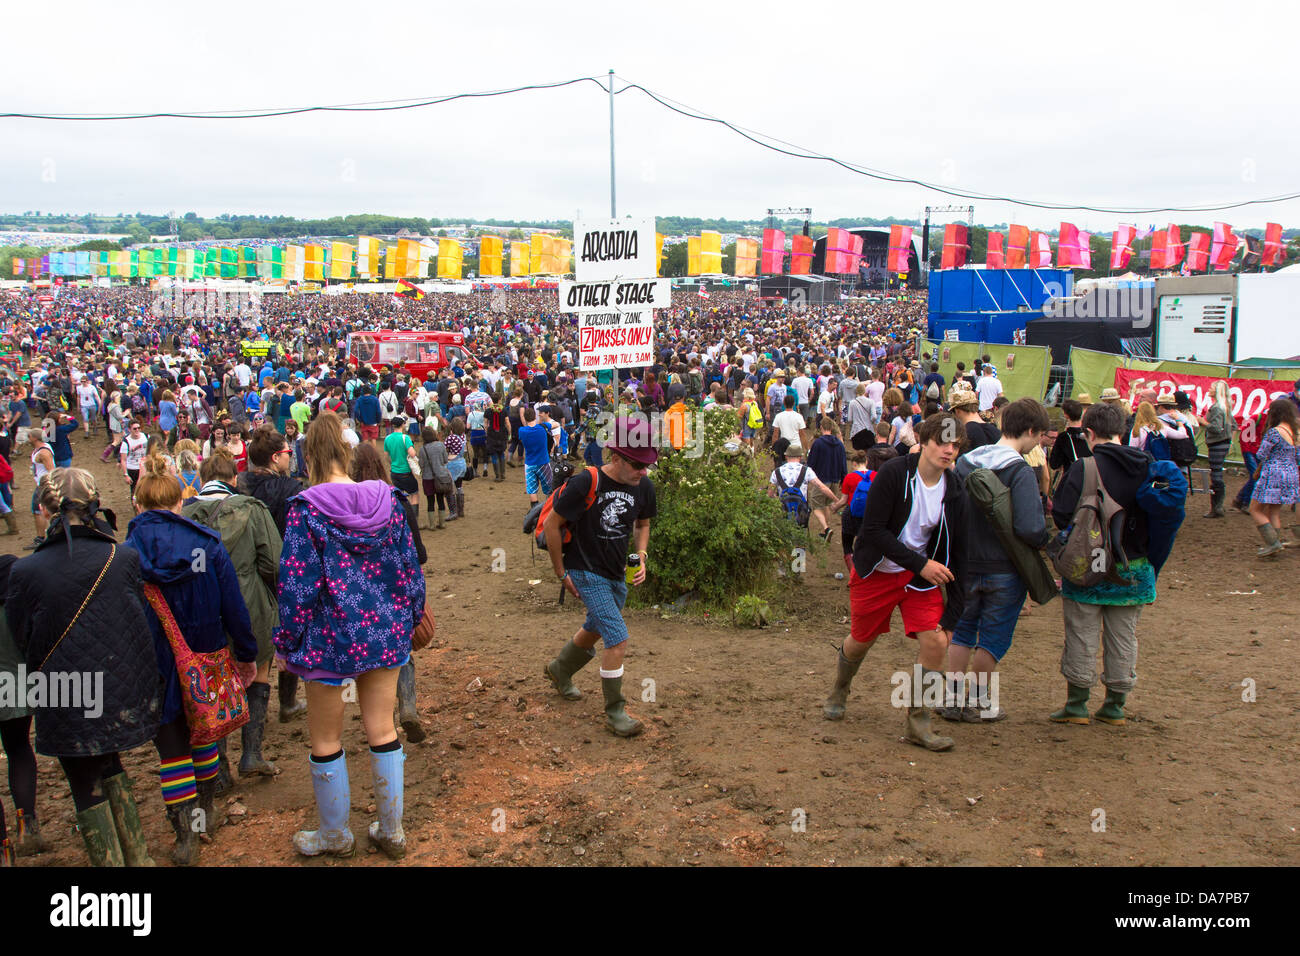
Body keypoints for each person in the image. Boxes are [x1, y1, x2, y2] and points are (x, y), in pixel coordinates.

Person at [274, 413, 425, 859]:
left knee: (326, 739)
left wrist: (287, 641)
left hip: (328, 638)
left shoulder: (305, 509)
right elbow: (410, 569)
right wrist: (411, 617)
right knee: (383, 727)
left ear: (308, 456)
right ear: (345, 452)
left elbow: (296, 585)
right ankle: (392, 830)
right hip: (384, 632)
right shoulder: (390, 500)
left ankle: (334, 835)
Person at [7, 468, 162, 866]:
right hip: (120, 686)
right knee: (111, 764)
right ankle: (138, 858)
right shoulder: (123, 558)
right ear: (95, 505)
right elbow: (135, 618)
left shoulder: (25, 572)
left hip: (63, 692)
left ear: (44, 510)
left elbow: (25, 639)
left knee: (83, 781)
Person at [126, 455, 259, 864]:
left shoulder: (125, 556)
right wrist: (247, 652)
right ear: (179, 503)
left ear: (138, 506)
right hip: (206, 654)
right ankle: (205, 815)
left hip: (153, 660)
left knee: (171, 748)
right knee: (204, 732)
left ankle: (185, 834)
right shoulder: (206, 544)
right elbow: (233, 604)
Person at [822, 413, 967, 753]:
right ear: (924, 441)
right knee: (861, 639)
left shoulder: (955, 486)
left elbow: (960, 549)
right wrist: (922, 563)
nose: (948, 451)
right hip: (878, 570)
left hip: (919, 577)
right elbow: (871, 531)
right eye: (942, 442)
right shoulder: (895, 473)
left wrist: (953, 615)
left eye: (956, 445)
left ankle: (919, 722)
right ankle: (840, 688)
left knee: (936, 641)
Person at [542, 417, 657, 738]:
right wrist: (560, 572)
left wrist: (642, 556)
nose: (644, 471)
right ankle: (615, 711)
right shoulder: (585, 483)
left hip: (615, 572)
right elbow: (552, 525)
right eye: (638, 464)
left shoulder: (643, 485)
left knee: (596, 627)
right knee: (617, 637)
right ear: (616, 457)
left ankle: (559, 670)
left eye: (648, 464)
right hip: (583, 570)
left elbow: (643, 524)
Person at [944, 398, 1052, 722]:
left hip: (965, 563)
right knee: (992, 639)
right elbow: (1030, 528)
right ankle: (978, 703)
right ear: (1031, 431)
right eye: (1040, 436)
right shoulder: (1019, 470)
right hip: (1004, 568)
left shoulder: (965, 463)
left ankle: (950, 700)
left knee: (961, 632)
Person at [1049, 402, 1156, 726]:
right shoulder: (1149, 465)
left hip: (1088, 565)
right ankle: (1115, 706)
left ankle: (1077, 705)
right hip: (1133, 567)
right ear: (1123, 431)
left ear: (1089, 433)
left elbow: (1062, 514)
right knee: (1124, 637)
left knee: (1081, 633)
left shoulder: (1084, 468)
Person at [184, 448, 283, 779]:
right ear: (234, 478)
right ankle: (252, 754)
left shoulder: (185, 516)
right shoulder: (251, 509)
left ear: (201, 479)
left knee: (214, 683)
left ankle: (220, 769)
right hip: (249, 600)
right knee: (259, 673)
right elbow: (273, 562)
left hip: (203, 608)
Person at [349, 442, 427, 744]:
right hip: (393, 588)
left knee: (367, 657)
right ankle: (407, 705)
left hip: (355, 592)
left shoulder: (341, 506)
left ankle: (380, 721)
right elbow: (418, 553)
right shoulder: (395, 501)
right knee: (402, 648)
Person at [1248, 398, 1300, 557]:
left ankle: (1273, 543)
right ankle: (1274, 546)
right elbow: (1298, 457)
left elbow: (1261, 454)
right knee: (1274, 511)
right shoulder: (1295, 432)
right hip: (1291, 473)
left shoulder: (1274, 432)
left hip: (1273, 474)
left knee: (1255, 509)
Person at [806, 418, 848, 540]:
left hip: (822, 479)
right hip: (835, 479)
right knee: (826, 504)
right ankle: (825, 531)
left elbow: (811, 462)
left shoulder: (818, 443)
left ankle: (826, 528)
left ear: (821, 428)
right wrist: (843, 479)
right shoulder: (840, 444)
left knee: (816, 505)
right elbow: (843, 463)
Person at [1199, 380, 1234, 519]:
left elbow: (1216, 428)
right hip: (1222, 443)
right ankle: (1217, 507)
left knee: (1216, 475)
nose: (1209, 388)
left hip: (1217, 444)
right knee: (1216, 473)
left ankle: (1216, 507)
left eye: (1212, 387)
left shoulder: (1217, 408)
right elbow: (1234, 426)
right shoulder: (1225, 407)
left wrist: (1203, 422)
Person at [26, 427, 55, 549]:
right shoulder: (39, 449)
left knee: (38, 511)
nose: (28, 438)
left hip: (43, 485)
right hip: (41, 484)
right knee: (39, 510)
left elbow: (51, 470)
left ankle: (41, 538)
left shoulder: (43, 453)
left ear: (35, 438)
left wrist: (49, 485)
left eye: (29, 436)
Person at [518, 406, 552, 507]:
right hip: (543, 462)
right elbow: (555, 424)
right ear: (535, 416)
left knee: (532, 489)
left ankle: (534, 511)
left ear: (525, 418)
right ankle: (549, 508)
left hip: (530, 463)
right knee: (549, 488)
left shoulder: (522, 431)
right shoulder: (542, 428)